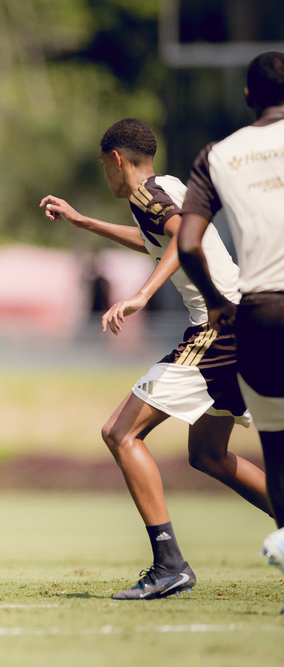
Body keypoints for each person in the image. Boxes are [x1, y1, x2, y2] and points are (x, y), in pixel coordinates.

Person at [39, 118, 270, 600]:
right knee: (208, 455)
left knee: (119, 433)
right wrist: (85, 222)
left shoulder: (146, 193)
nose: (107, 176)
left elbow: (182, 235)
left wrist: (141, 295)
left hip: (217, 328)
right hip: (243, 325)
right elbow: (159, 239)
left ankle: (169, 566)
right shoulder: (167, 187)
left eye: (105, 166)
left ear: (116, 159)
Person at [177, 52, 284, 595]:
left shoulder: (218, 154)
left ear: (247, 96)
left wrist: (219, 303)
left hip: (261, 314)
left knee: (276, 448)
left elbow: (187, 243)